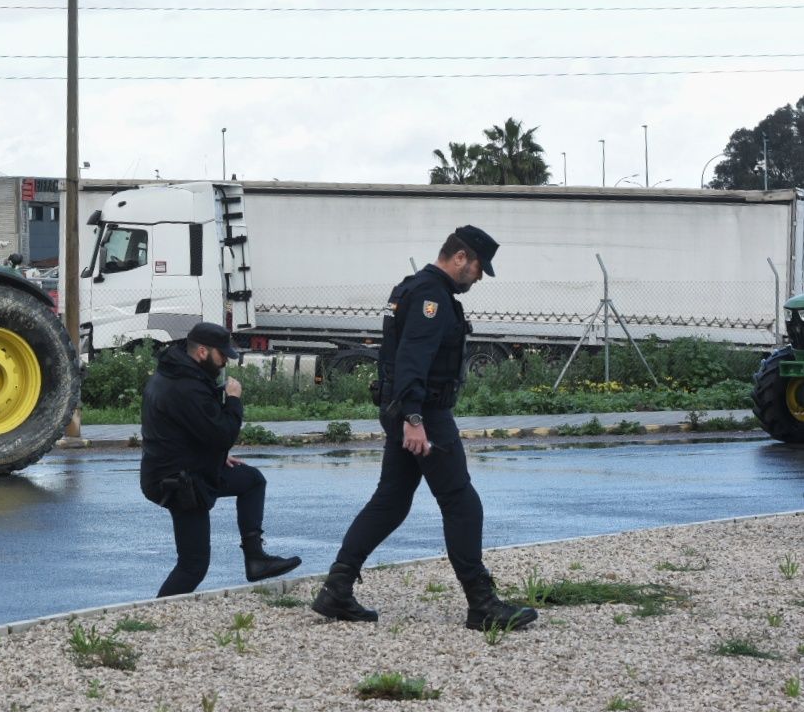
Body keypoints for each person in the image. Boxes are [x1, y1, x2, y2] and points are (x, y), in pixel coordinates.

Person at [312, 225, 539, 632]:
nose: (480, 276)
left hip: (405, 408)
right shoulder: (431, 296)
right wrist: (414, 419)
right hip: (424, 413)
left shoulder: (413, 289)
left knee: (391, 501)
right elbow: (413, 359)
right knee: (461, 502)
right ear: (460, 258)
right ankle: (482, 603)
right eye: (478, 267)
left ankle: (337, 588)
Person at [140, 321, 302, 597]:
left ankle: (256, 559)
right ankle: (154, 616)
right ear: (203, 351)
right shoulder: (186, 387)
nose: (225, 360)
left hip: (185, 468)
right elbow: (223, 434)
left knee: (251, 480)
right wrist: (234, 401)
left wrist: (217, 455)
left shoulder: (179, 374)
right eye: (222, 355)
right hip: (179, 482)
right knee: (194, 565)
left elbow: (189, 430)